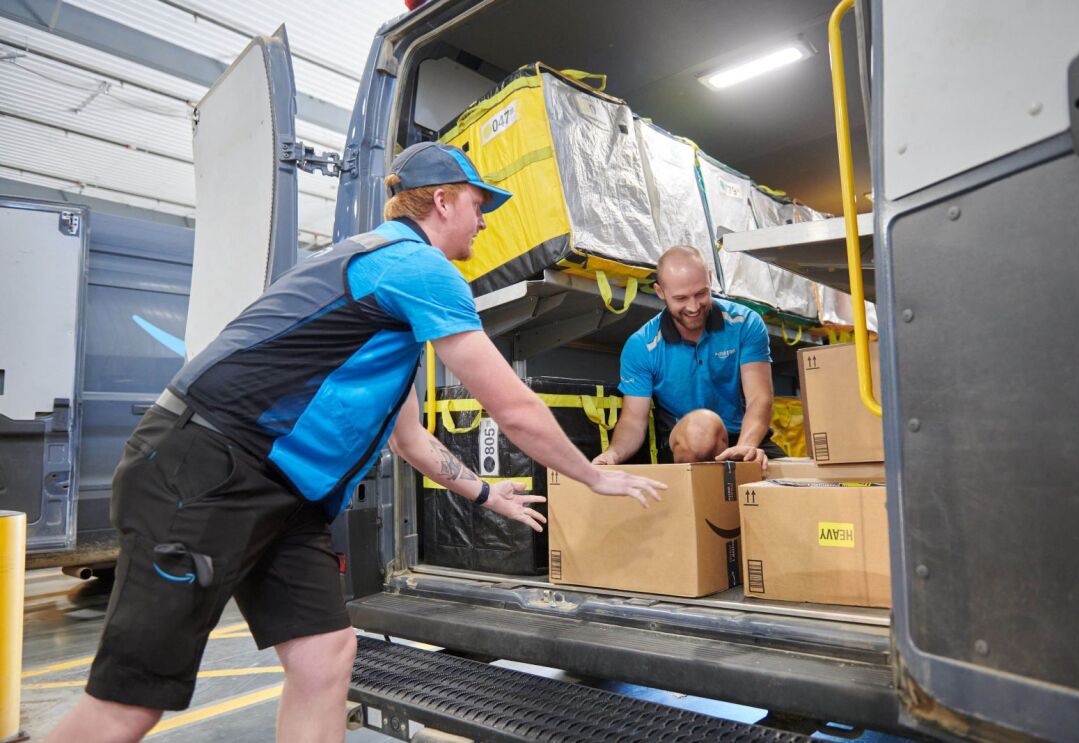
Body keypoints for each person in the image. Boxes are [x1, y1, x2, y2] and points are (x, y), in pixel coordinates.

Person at [46, 142, 666, 743]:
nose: (484, 221)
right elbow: (513, 407)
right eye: (480, 205)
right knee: (129, 706)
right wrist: (593, 475)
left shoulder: (385, 293)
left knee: (325, 656)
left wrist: (486, 496)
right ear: (444, 202)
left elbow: (412, 440)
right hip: (203, 472)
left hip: (283, 494)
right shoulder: (418, 267)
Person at [593, 245, 784, 468]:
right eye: (681, 298)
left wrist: (744, 449)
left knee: (800, 487)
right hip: (686, 445)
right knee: (701, 431)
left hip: (745, 437)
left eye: (701, 294)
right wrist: (613, 454)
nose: (693, 307)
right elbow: (634, 421)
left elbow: (759, 398)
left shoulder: (746, 323)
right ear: (660, 292)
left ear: (710, 279)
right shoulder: (641, 346)